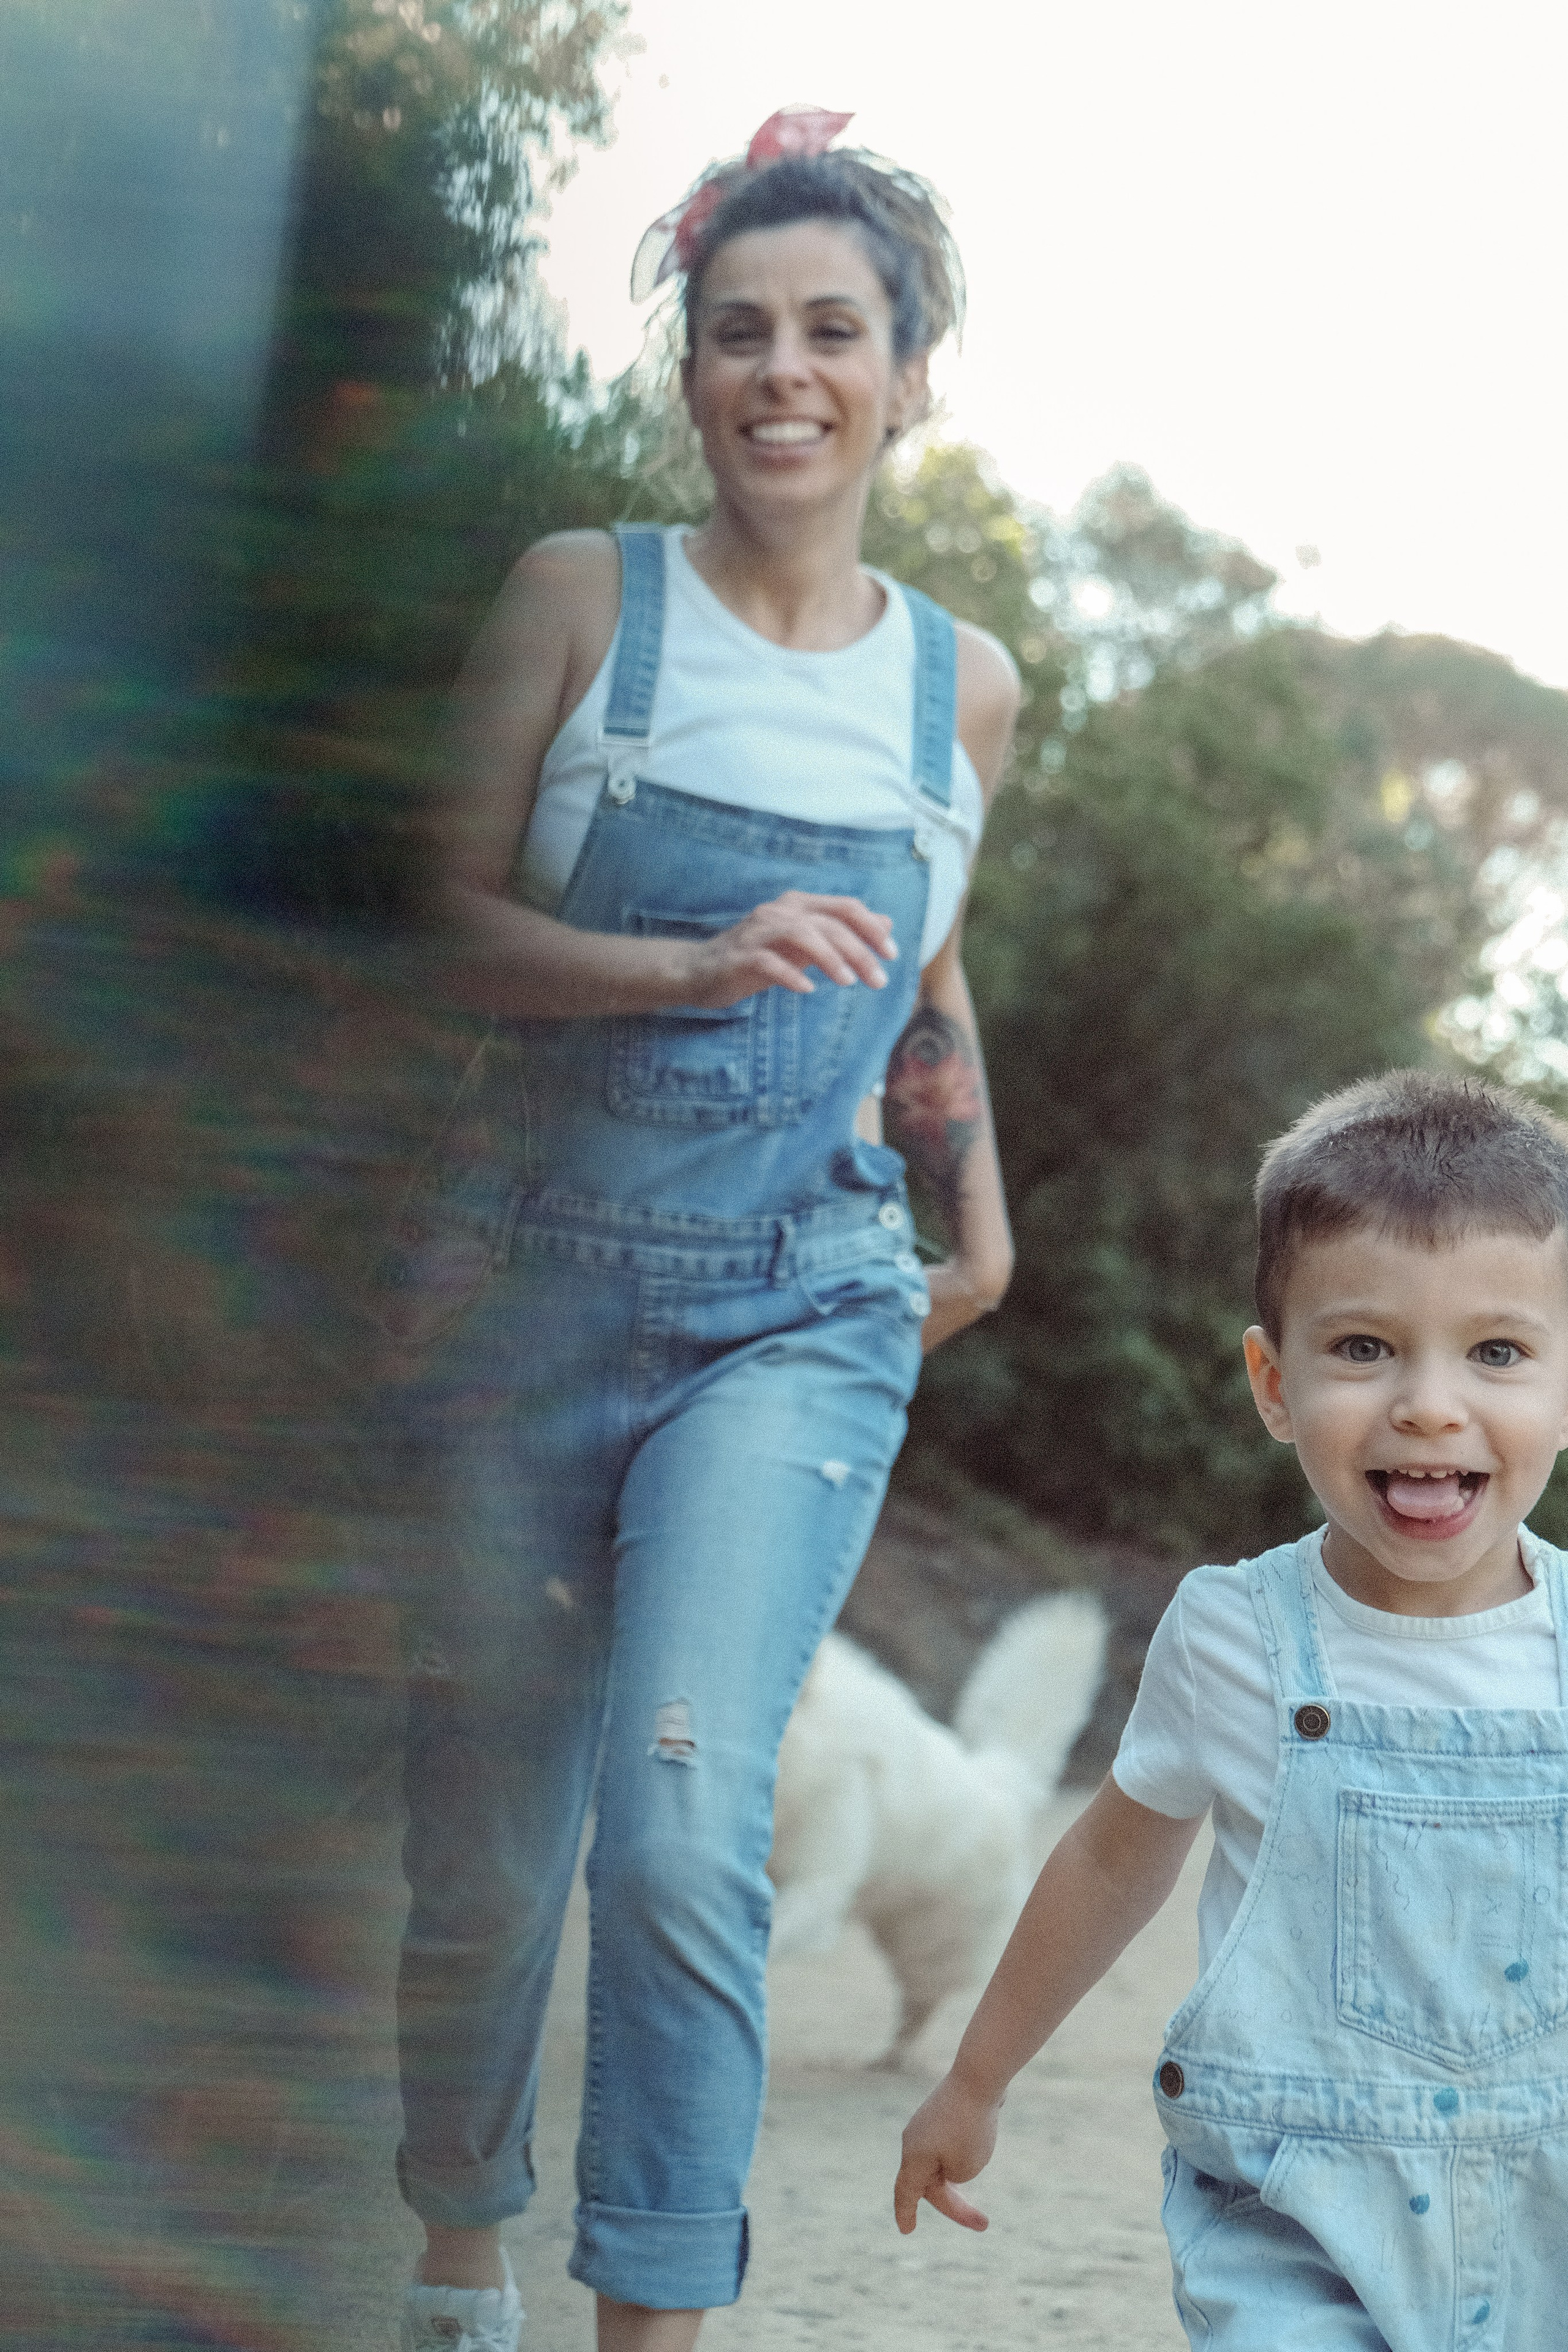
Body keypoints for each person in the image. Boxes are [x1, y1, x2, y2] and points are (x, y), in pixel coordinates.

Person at [390, 107, 1019, 2352]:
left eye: (834, 330)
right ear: (690, 374)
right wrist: (681, 965)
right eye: (740, 330)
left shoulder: (964, 686)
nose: (785, 371)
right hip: (532, 1291)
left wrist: (981, 1226)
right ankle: (456, 2255)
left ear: (908, 376)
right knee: (489, 1856)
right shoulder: (582, 599)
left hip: (794, 1314)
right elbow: (436, 922)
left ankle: (651, 2320)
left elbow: (925, 971)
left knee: (680, 1829)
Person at [896, 1068, 1568, 2350]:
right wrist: (975, 2078)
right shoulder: (1234, 1635)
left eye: (1495, 1352)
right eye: (1362, 1348)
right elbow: (1110, 1860)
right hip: (1295, 2212)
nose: (1429, 1402)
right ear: (1271, 1382)